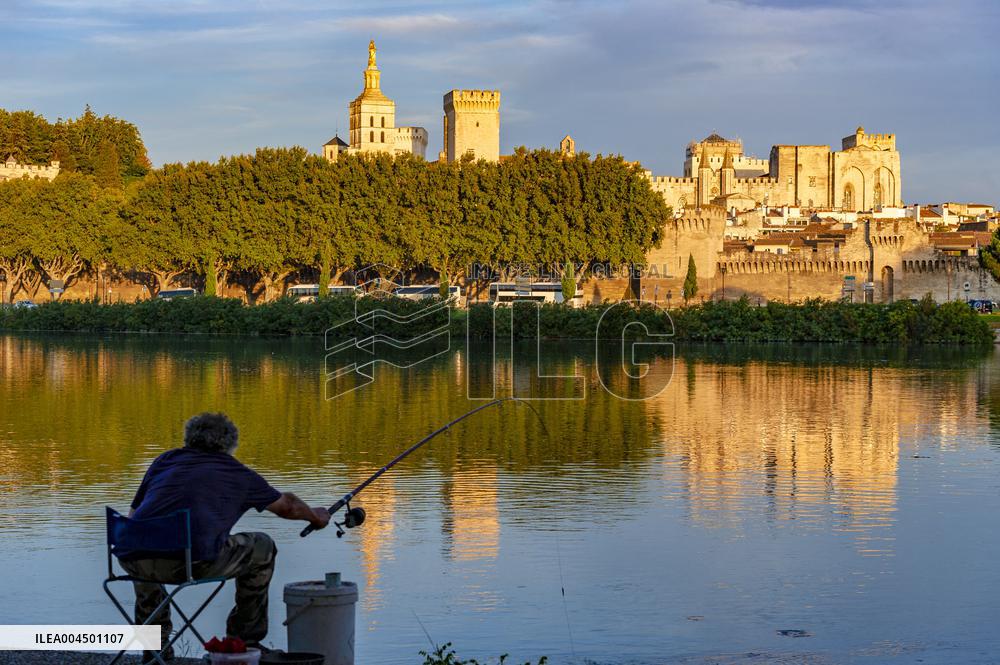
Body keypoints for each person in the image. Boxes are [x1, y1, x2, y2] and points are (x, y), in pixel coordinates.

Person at [119, 412, 330, 662]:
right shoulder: (235, 472)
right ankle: (245, 641)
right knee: (262, 546)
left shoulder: (165, 460)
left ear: (189, 438)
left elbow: (133, 516)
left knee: (144, 544)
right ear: (229, 444)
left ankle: (155, 647)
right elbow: (287, 506)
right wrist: (315, 517)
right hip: (191, 562)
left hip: (133, 560)